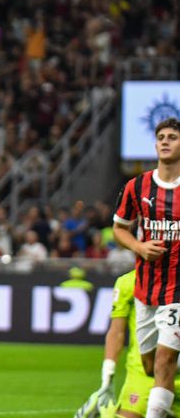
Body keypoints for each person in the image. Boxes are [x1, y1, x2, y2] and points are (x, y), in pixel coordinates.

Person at [112, 117, 180, 418]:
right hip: (146, 289)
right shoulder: (137, 186)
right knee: (151, 365)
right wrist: (139, 247)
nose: (165, 141)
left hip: (177, 290)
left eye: (172, 137)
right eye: (161, 137)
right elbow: (119, 228)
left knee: (165, 360)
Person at [74, 269, 180, 418]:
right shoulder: (129, 281)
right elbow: (117, 332)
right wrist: (108, 375)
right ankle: (106, 411)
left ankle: (106, 412)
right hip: (144, 374)